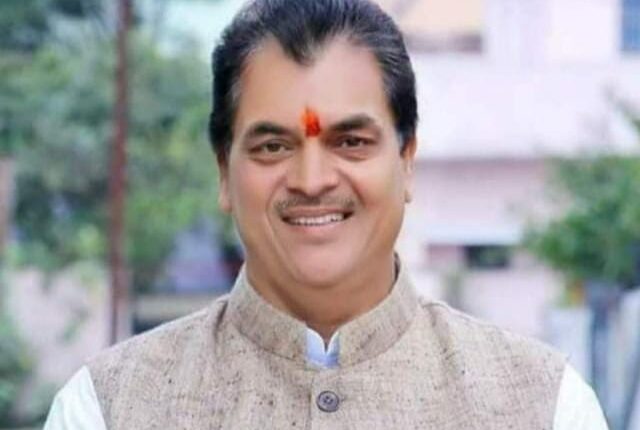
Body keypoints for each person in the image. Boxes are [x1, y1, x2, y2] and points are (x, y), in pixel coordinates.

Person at [44, 0, 609, 428]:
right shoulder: (107, 407)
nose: (312, 181)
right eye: (273, 146)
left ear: (407, 161)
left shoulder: (544, 405)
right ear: (223, 171)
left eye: (351, 142)